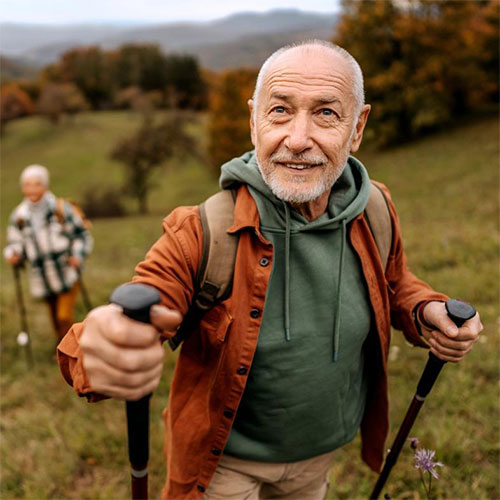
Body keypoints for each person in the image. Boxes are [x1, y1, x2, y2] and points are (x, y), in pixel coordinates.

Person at [57, 40, 482, 500]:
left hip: (318, 458)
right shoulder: (202, 230)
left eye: (325, 114)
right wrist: (103, 346)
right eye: (280, 110)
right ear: (254, 119)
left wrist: (425, 310)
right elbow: (138, 306)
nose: (298, 140)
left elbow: (393, 281)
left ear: (357, 127)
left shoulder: (373, 207)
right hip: (221, 468)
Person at [4, 164, 93, 341]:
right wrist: (13, 254)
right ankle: (63, 350)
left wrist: (78, 255)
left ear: (46, 186)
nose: (32, 189)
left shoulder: (61, 209)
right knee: (54, 316)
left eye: (37, 184)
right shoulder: (19, 216)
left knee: (64, 316)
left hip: (66, 271)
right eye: (28, 185)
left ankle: (75, 348)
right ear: (23, 188)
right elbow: (16, 242)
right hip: (42, 276)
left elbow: (81, 235)